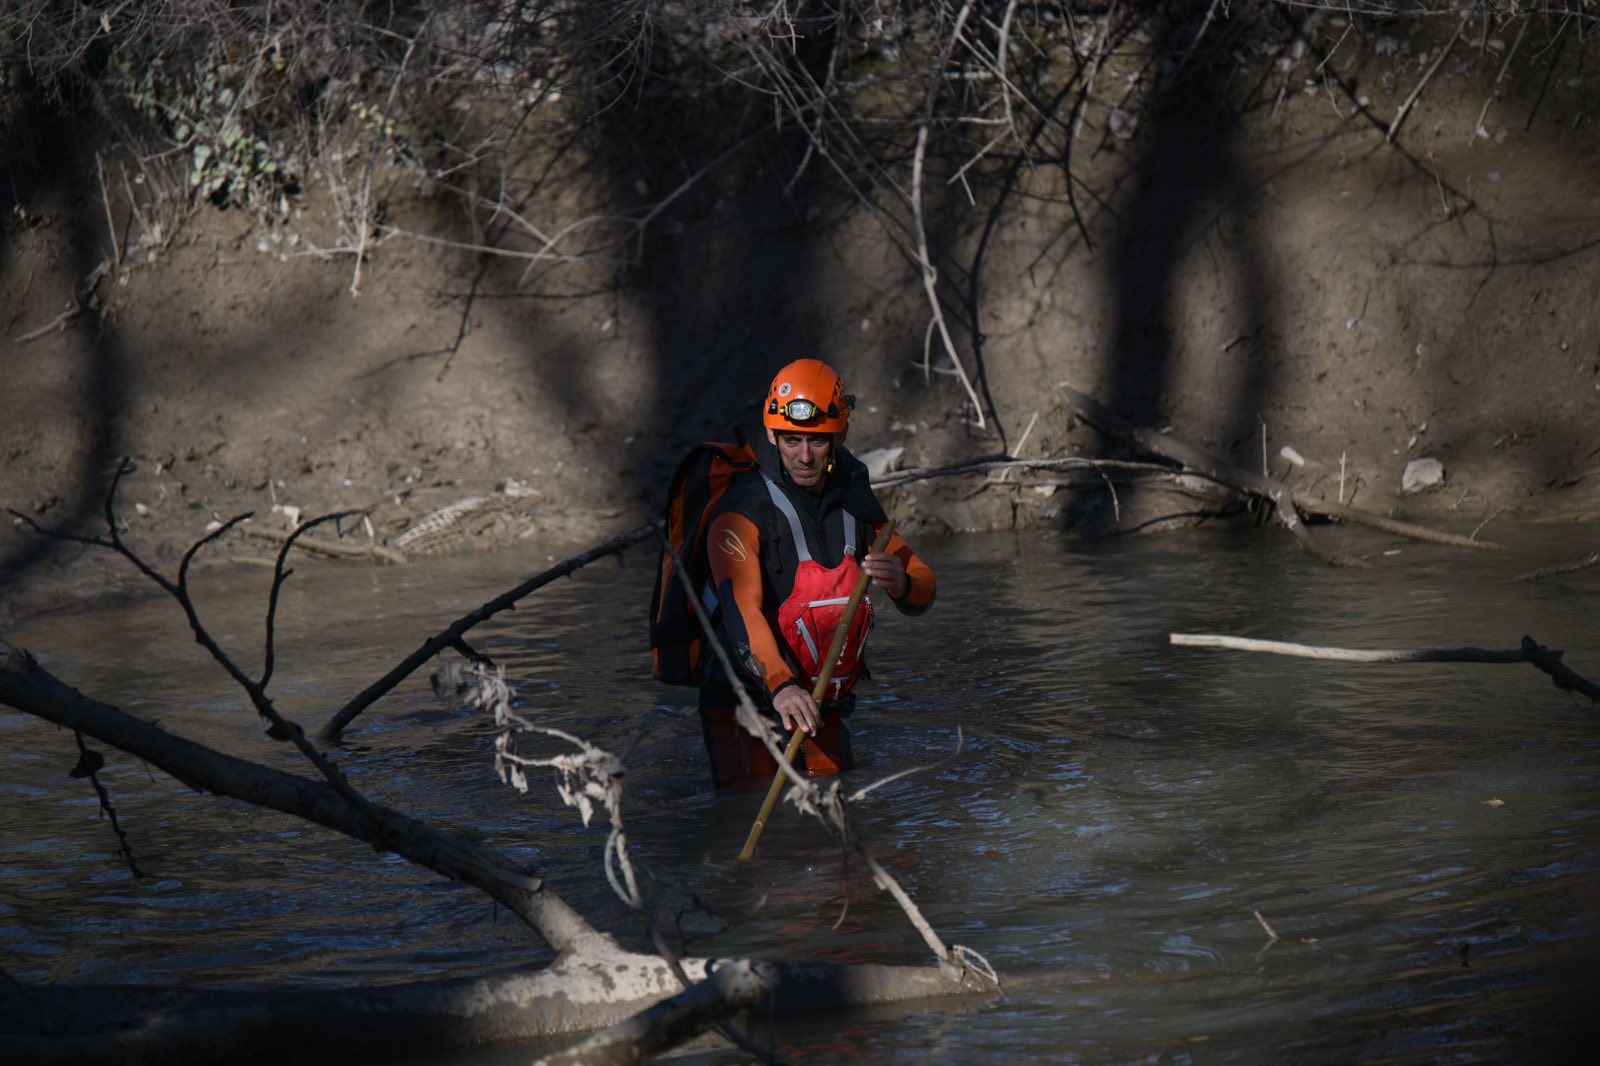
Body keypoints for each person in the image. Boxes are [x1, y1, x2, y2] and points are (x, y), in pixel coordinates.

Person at [698, 358, 936, 788]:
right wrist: (781, 686)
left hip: (821, 701)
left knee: (831, 807)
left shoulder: (853, 496)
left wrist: (901, 584)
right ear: (771, 434)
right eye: (790, 440)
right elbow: (742, 615)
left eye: (818, 441)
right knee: (755, 814)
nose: (804, 456)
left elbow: (922, 582)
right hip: (751, 698)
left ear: (840, 436)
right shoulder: (738, 514)